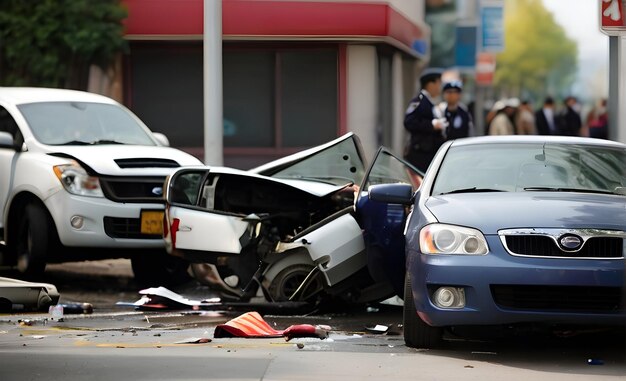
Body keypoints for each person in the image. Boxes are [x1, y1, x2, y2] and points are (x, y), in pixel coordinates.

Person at [403, 68, 446, 172]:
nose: (440, 87)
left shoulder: (429, 102)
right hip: (420, 154)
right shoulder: (419, 100)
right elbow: (409, 121)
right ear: (431, 84)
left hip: (428, 153)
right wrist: (432, 125)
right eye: (439, 83)